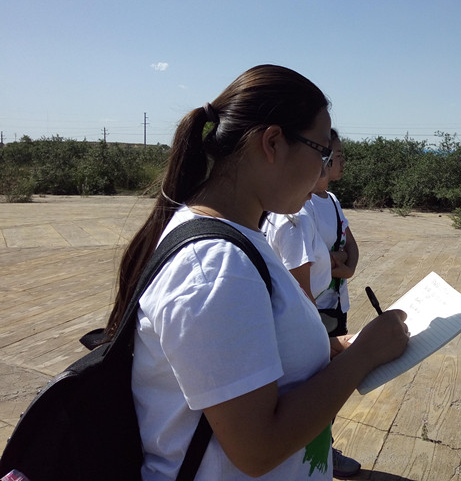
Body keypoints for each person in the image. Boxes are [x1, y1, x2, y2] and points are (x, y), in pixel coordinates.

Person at [105, 64, 409, 481]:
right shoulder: (215, 267)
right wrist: (365, 354)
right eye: (322, 152)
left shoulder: (241, 236)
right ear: (273, 143)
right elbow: (257, 448)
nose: (324, 169)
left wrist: (332, 347)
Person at [262, 133, 360, 478]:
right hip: (314, 315)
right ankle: (317, 452)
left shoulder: (326, 202)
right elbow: (302, 283)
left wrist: (345, 264)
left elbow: (345, 247)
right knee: (317, 389)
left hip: (331, 305)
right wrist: (367, 350)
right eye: (331, 156)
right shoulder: (294, 217)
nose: (337, 163)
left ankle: (320, 450)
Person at [309, 129, 358, 337]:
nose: (343, 161)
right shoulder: (303, 205)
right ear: (323, 160)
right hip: (314, 308)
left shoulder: (332, 200)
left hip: (337, 305)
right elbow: (310, 263)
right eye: (338, 156)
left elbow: (351, 245)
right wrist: (341, 261)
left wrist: (348, 268)